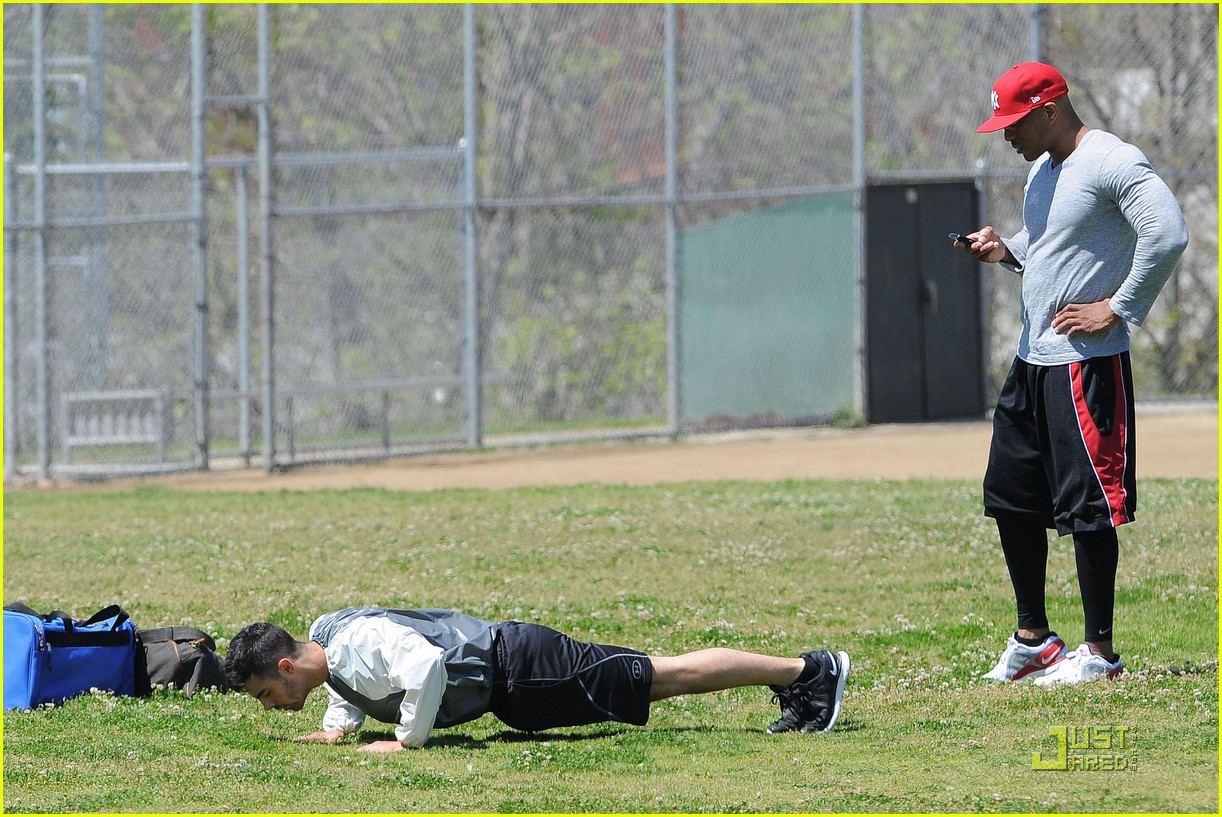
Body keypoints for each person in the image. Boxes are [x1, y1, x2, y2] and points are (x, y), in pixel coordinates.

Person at [958, 62, 1188, 685]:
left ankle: (1100, 654)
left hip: (1086, 367)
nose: (1007, 135)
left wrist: (1118, 306)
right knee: (1010, 495)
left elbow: (1166, 232)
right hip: (1033, 361)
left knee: (1088, 508)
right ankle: (1035, 639)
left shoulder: (1112, 160)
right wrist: (1007, 251)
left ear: (1051, 110)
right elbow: (1049, 247)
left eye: (1014, 122)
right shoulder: (1044, 169)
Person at [224, 607, 850, 752]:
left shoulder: (354, 640)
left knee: (664, 675)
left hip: (522, 666)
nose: (274, 706)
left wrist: (406, 740)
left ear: (284, 667)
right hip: (514, 689)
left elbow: (424, 667)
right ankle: (799, 679)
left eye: (267, 695)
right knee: (660, 678)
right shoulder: (330, 651)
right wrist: (338, 732)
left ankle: (809, 671)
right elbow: (351, 687)